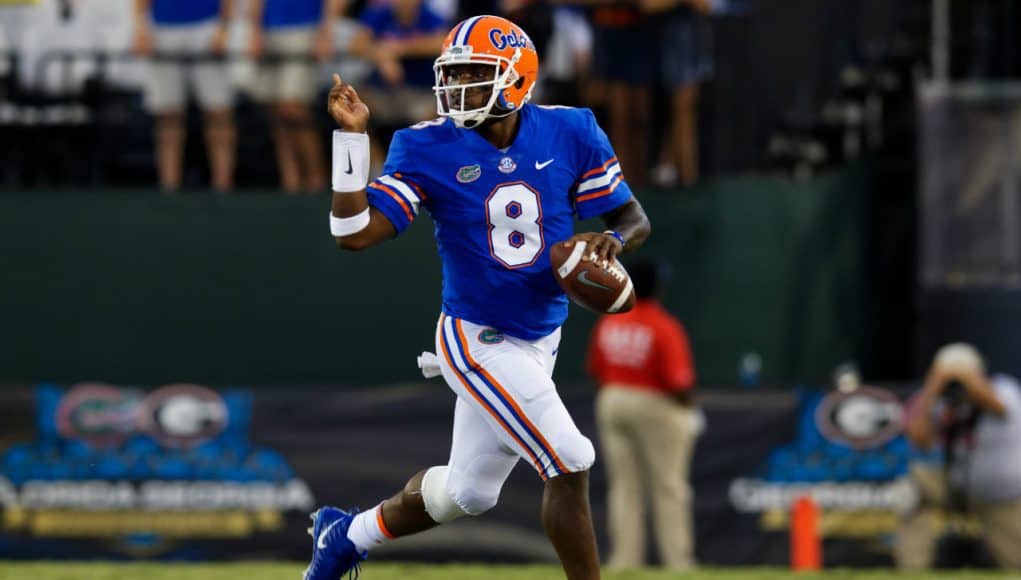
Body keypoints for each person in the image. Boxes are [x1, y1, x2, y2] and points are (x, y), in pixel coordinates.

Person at [305, 15, 651, 580]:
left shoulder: (572, 129)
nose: (456, 89)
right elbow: (353, 234)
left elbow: (634, 219)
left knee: (466, 494)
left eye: (473, 74)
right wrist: (350, 138)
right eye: (453, 75)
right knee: (570, 458)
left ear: (517, 79)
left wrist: (612, 240)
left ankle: (345, 534)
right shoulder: (425, 144)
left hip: (543, 336)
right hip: (477, 337)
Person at [586, 259, 700, 570]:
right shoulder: (663, 326)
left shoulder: (611, 321)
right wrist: (689, 409)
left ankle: (624, 561)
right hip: (653, 403)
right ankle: (678, 563)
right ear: (659, 287)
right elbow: (679, 383)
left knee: (624, 487)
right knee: (668, 487)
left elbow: (596, 369)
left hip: (612, 398)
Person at [895, 343, 1021, 570]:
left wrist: (969, 381)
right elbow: (920, 440)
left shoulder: (1004, 387)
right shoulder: (936, 398)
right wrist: (933, 388)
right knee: (913, 497)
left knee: (1015, 559)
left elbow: (998, 406)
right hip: (952, 482)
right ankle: (912, 570)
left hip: (999, 490)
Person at [133, 0, 236, 192]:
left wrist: (224, 27)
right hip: (163, 28)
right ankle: (169, 186)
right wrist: (140, 27)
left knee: (218, 110)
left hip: (208, 26)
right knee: (168, 114)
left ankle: (223, 185)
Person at [247, 0, 343, 193]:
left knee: (293, 107)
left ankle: (316, 177)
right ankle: (291, 180)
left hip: (305, 29)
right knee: (275, 112)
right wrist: (255, 30)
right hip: (269, 30)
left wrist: (326, 31)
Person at [347, 0, 448, 173]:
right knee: (353, 108)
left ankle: (420, 168)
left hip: (421, 92)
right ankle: (375, 167)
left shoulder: (430, 16)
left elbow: (441, 43)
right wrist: (381, 56)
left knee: (438, 112)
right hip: (383, 92)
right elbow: (356, 46)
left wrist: (396, 49)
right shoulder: (379, 14)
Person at [641, 0, 716, 187]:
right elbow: (648, 5)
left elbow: (708, 6)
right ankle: (681, 175)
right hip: (667, 44)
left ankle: (677, 170)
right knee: (681, 110)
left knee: (687, 109)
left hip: (694, 41)